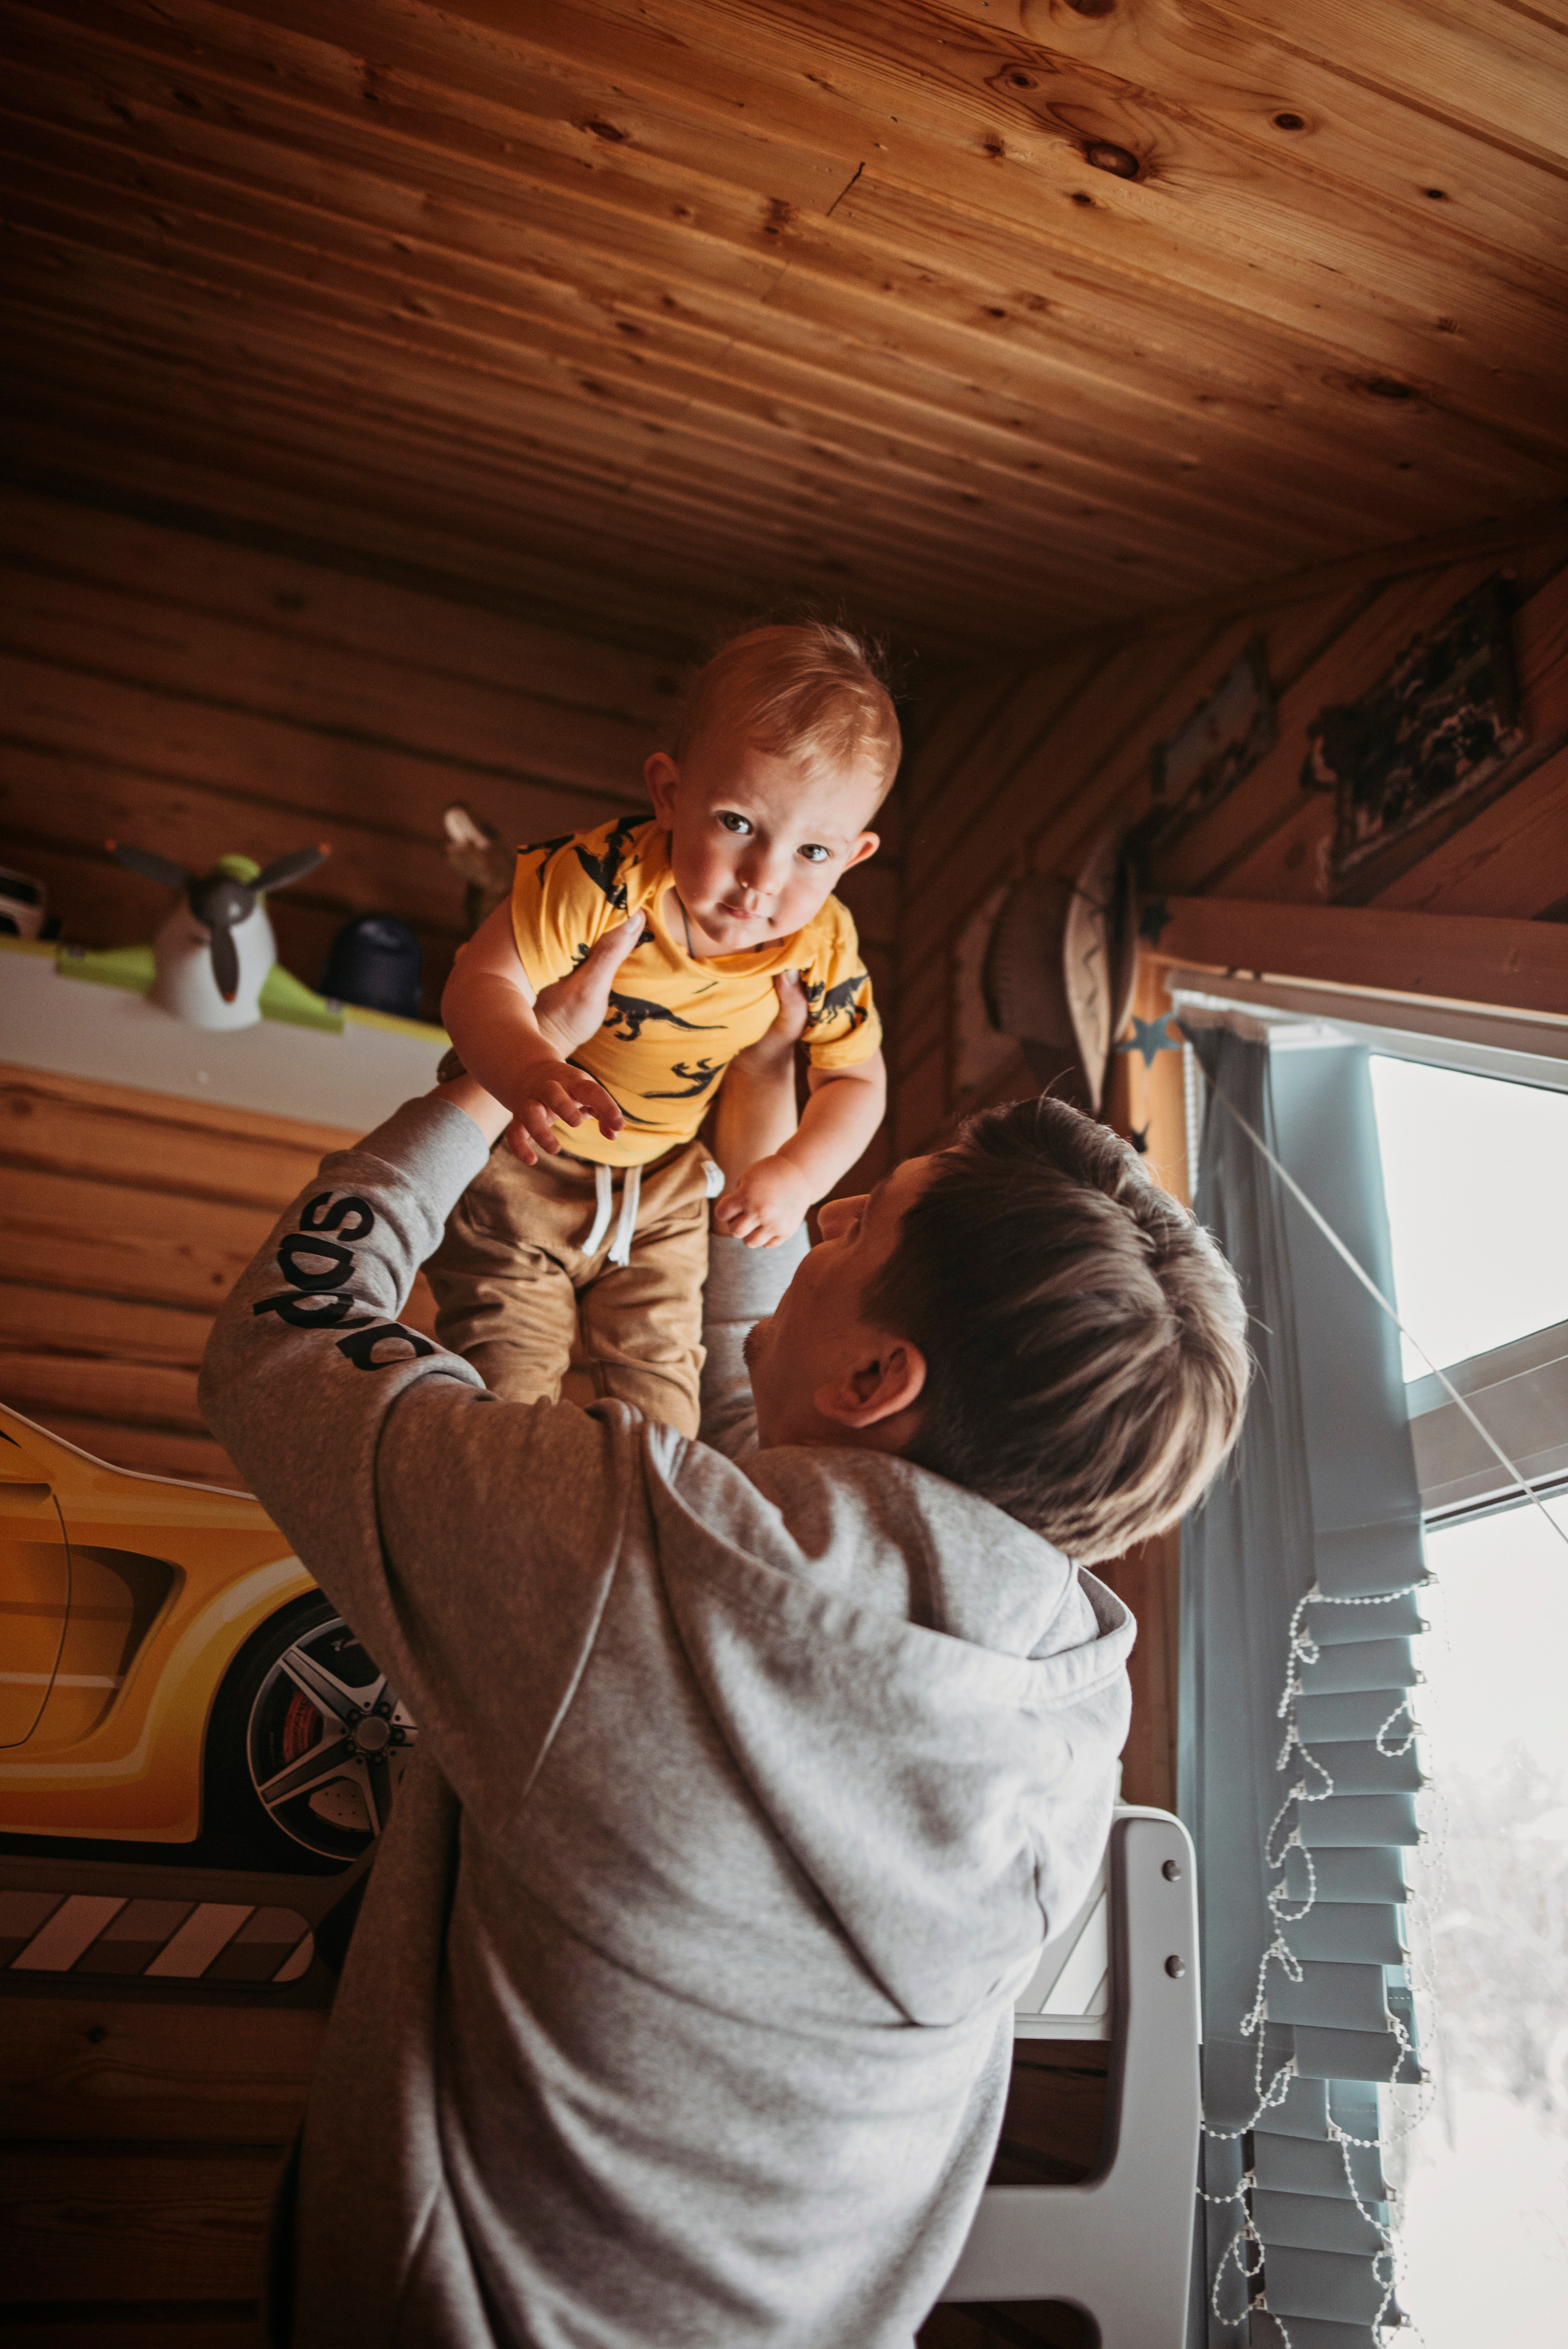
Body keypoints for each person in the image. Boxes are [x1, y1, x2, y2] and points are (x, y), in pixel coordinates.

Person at [199, 982, 1250, 2349]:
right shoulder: (1060, 1695)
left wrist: (482, 1086)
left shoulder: (623, 1555)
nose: (826, 1212)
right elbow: (791, 1476)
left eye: (859, 1222)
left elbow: (287, 1334)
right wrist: (759, 1140)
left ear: (878, 1378)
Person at [427, 621, 899, 1437]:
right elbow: (481, 983)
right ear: (670, 794)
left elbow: (856, 1080)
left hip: (664, 1194)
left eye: (813, 852)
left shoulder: (822, 947)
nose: (763, 879)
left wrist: (796, 1174)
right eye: (738, 823)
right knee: (505, 1399)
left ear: (854, 855)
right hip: (527, 1162)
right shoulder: (602, 879)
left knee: (664, 1423)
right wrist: (530, 1067)